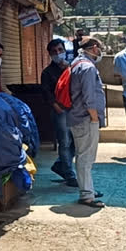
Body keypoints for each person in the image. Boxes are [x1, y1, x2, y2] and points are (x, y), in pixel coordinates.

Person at [68, 36, 106, 208]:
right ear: (95, 47)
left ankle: (87, 190)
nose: (100, 52)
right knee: (86, 157)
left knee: (84, 156)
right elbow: (88, 96)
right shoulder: (88, 67)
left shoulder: (76, 63)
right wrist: (94, 117)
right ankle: (87, 195)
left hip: (78, 116)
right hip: (85, 118)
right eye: (100, 49)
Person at [41, 39, 77, 187]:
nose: (58, 54)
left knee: (76, 142)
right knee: (65, 142)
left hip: (75, 110)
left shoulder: (72, 68)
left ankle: (60, 165)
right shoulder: (47, 73)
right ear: (49, 54)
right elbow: (46, 93)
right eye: (54, 51)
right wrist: (56, 106)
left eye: (60, 50)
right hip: (60, 110)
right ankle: (70, 174)